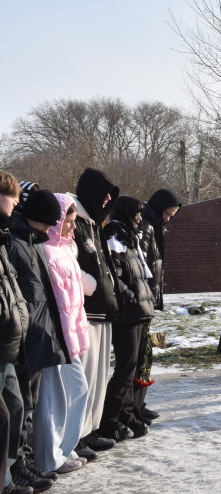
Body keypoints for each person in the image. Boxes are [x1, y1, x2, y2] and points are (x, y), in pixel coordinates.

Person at [7, 189, 83, 479]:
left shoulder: (31, 240)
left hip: (38, 331)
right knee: (22, 405)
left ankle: (25, 463)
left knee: (30, 403)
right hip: (24, 334)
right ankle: (20, 466)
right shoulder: (16, 241)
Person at [36, 194, 91, 473]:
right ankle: (52, 456)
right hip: (57, 338)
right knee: (55, 398)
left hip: (68, 337)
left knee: (76, 392)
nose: (73, 228)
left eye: (73, 222)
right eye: (68, 222)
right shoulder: (46, 251)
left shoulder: (64, 250)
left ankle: (63, 450)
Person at [70, 168, 121, 449]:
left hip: (104, 313)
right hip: (87, 314)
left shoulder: (93, 225)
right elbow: (71, 266)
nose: (106, 202)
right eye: (103, 196)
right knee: (86, 379)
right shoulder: (75, 223)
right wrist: (92, 285)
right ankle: (77, 436)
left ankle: (91, 428)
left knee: (99, 378)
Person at [100, 197, 155, 439]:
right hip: (128, 314)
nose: (140, 219)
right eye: (136, 214)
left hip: (139, 311)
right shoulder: (114, 237)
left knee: (132, 369)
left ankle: (126, 411)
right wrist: (133, 298)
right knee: (125, 368)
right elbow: (115, 277)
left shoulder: (128, 238)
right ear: (125, 214)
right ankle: (110, 417)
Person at [0, 173, 36, 494]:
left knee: (14, 406)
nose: (16, 202)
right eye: (10, 196)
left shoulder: (4, 236)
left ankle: (8, 476)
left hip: (8, 344)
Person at [134, 189, 181, 424]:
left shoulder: (154, 224)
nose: (168, 219)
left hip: (147, 298)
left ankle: (138, 404)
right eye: (168, 213)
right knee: (140, 355)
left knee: (145, 354)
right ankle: (132, 406)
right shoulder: (146, 226)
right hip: (140, 300)